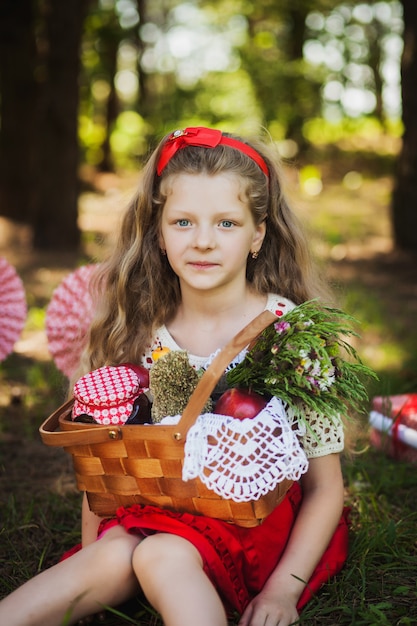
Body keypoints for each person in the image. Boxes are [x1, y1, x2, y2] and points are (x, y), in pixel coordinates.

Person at [0, 126, 350, 626]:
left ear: (258, 234)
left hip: (253, 525)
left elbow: (324, 488)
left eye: (226, 224)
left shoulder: (287, 337)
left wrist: (281, 594)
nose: (203, 241)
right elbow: (106, 469)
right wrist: (92, 552)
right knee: (121, 552)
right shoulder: (145, 333)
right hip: (156, 513)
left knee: (158, 554)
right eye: (183, 222)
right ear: (158, 235)